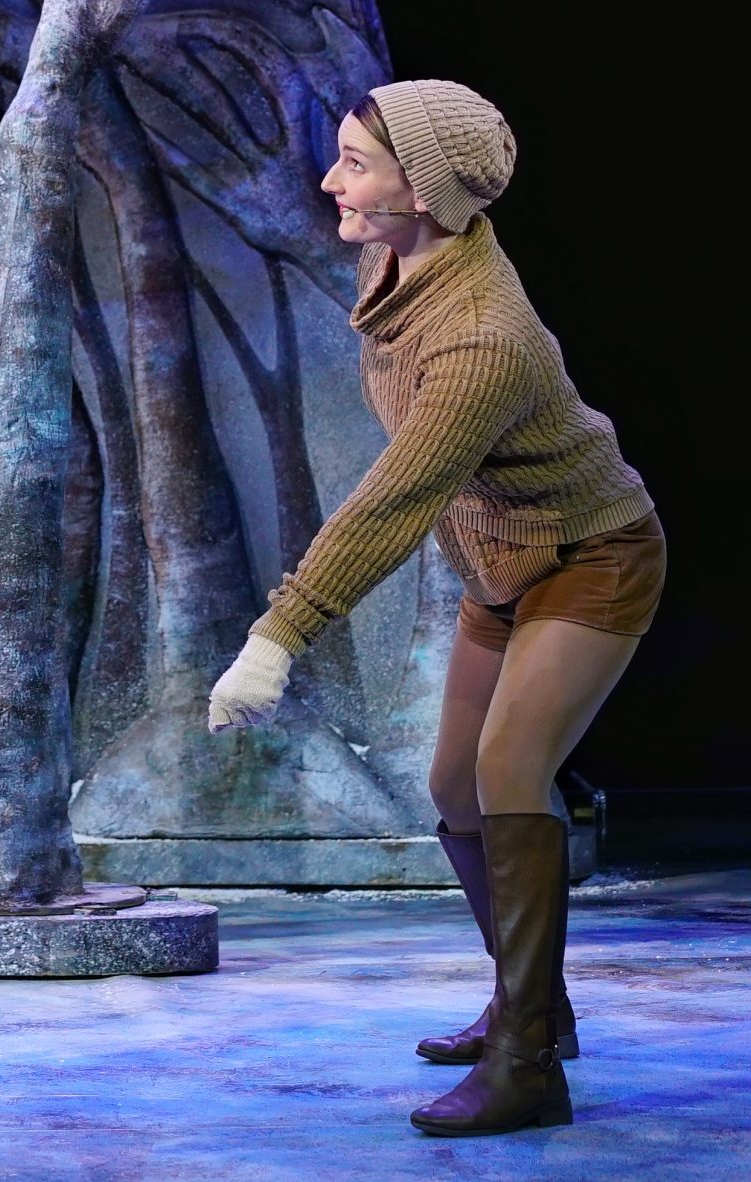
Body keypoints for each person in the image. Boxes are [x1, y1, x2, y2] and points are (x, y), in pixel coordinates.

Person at [206, 80, 661, 1136]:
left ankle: (527, 1063)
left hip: (591, 556)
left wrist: (278, 636)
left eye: (355, 164)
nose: (330, 179)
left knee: (509, 770)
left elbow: (396, 499)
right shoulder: (397, 258)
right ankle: (532, 1004)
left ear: (424, 191)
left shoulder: (480, 336)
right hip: (501, 562)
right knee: (454, 783)